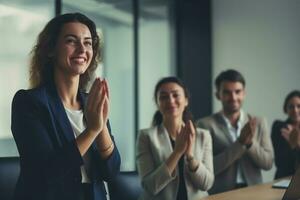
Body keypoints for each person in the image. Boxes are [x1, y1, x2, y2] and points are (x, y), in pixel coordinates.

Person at [11, 13, 120, 200]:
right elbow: (46, 172)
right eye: (71, 41)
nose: (82, 49)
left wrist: (101, 128)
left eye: (87, 43)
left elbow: (111, 173)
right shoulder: (28, 102)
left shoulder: (92, 102)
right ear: (51, 50)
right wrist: (93, 129)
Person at [197, 69, 274, 194]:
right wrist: (240, 143)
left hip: (255, 191)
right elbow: (207, 169)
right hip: (222, 194)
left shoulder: (259, 122)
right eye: (227, 92)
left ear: (244, 93)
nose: (233, 97)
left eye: (237, 92)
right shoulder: (204, 125)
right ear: (218, 95)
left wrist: (250, 144)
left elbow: (268, 163)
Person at [136, 77, 214, 200]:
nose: (171, 100)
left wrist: (190, 156)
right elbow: (150, 186)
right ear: (157, 103)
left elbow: (206, 184)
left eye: (175, 95)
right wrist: (177, 152)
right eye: (164, 97)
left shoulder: (203, 136)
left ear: (186, 100)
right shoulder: (145, 137)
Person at [271, 90, 300, 179]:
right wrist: (294, 146)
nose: (295, 110)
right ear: (285, 109)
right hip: (284, 179)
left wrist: (297, 145)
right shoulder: (279, 127)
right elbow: (279, 161)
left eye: (299, 106)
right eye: (291, 107)